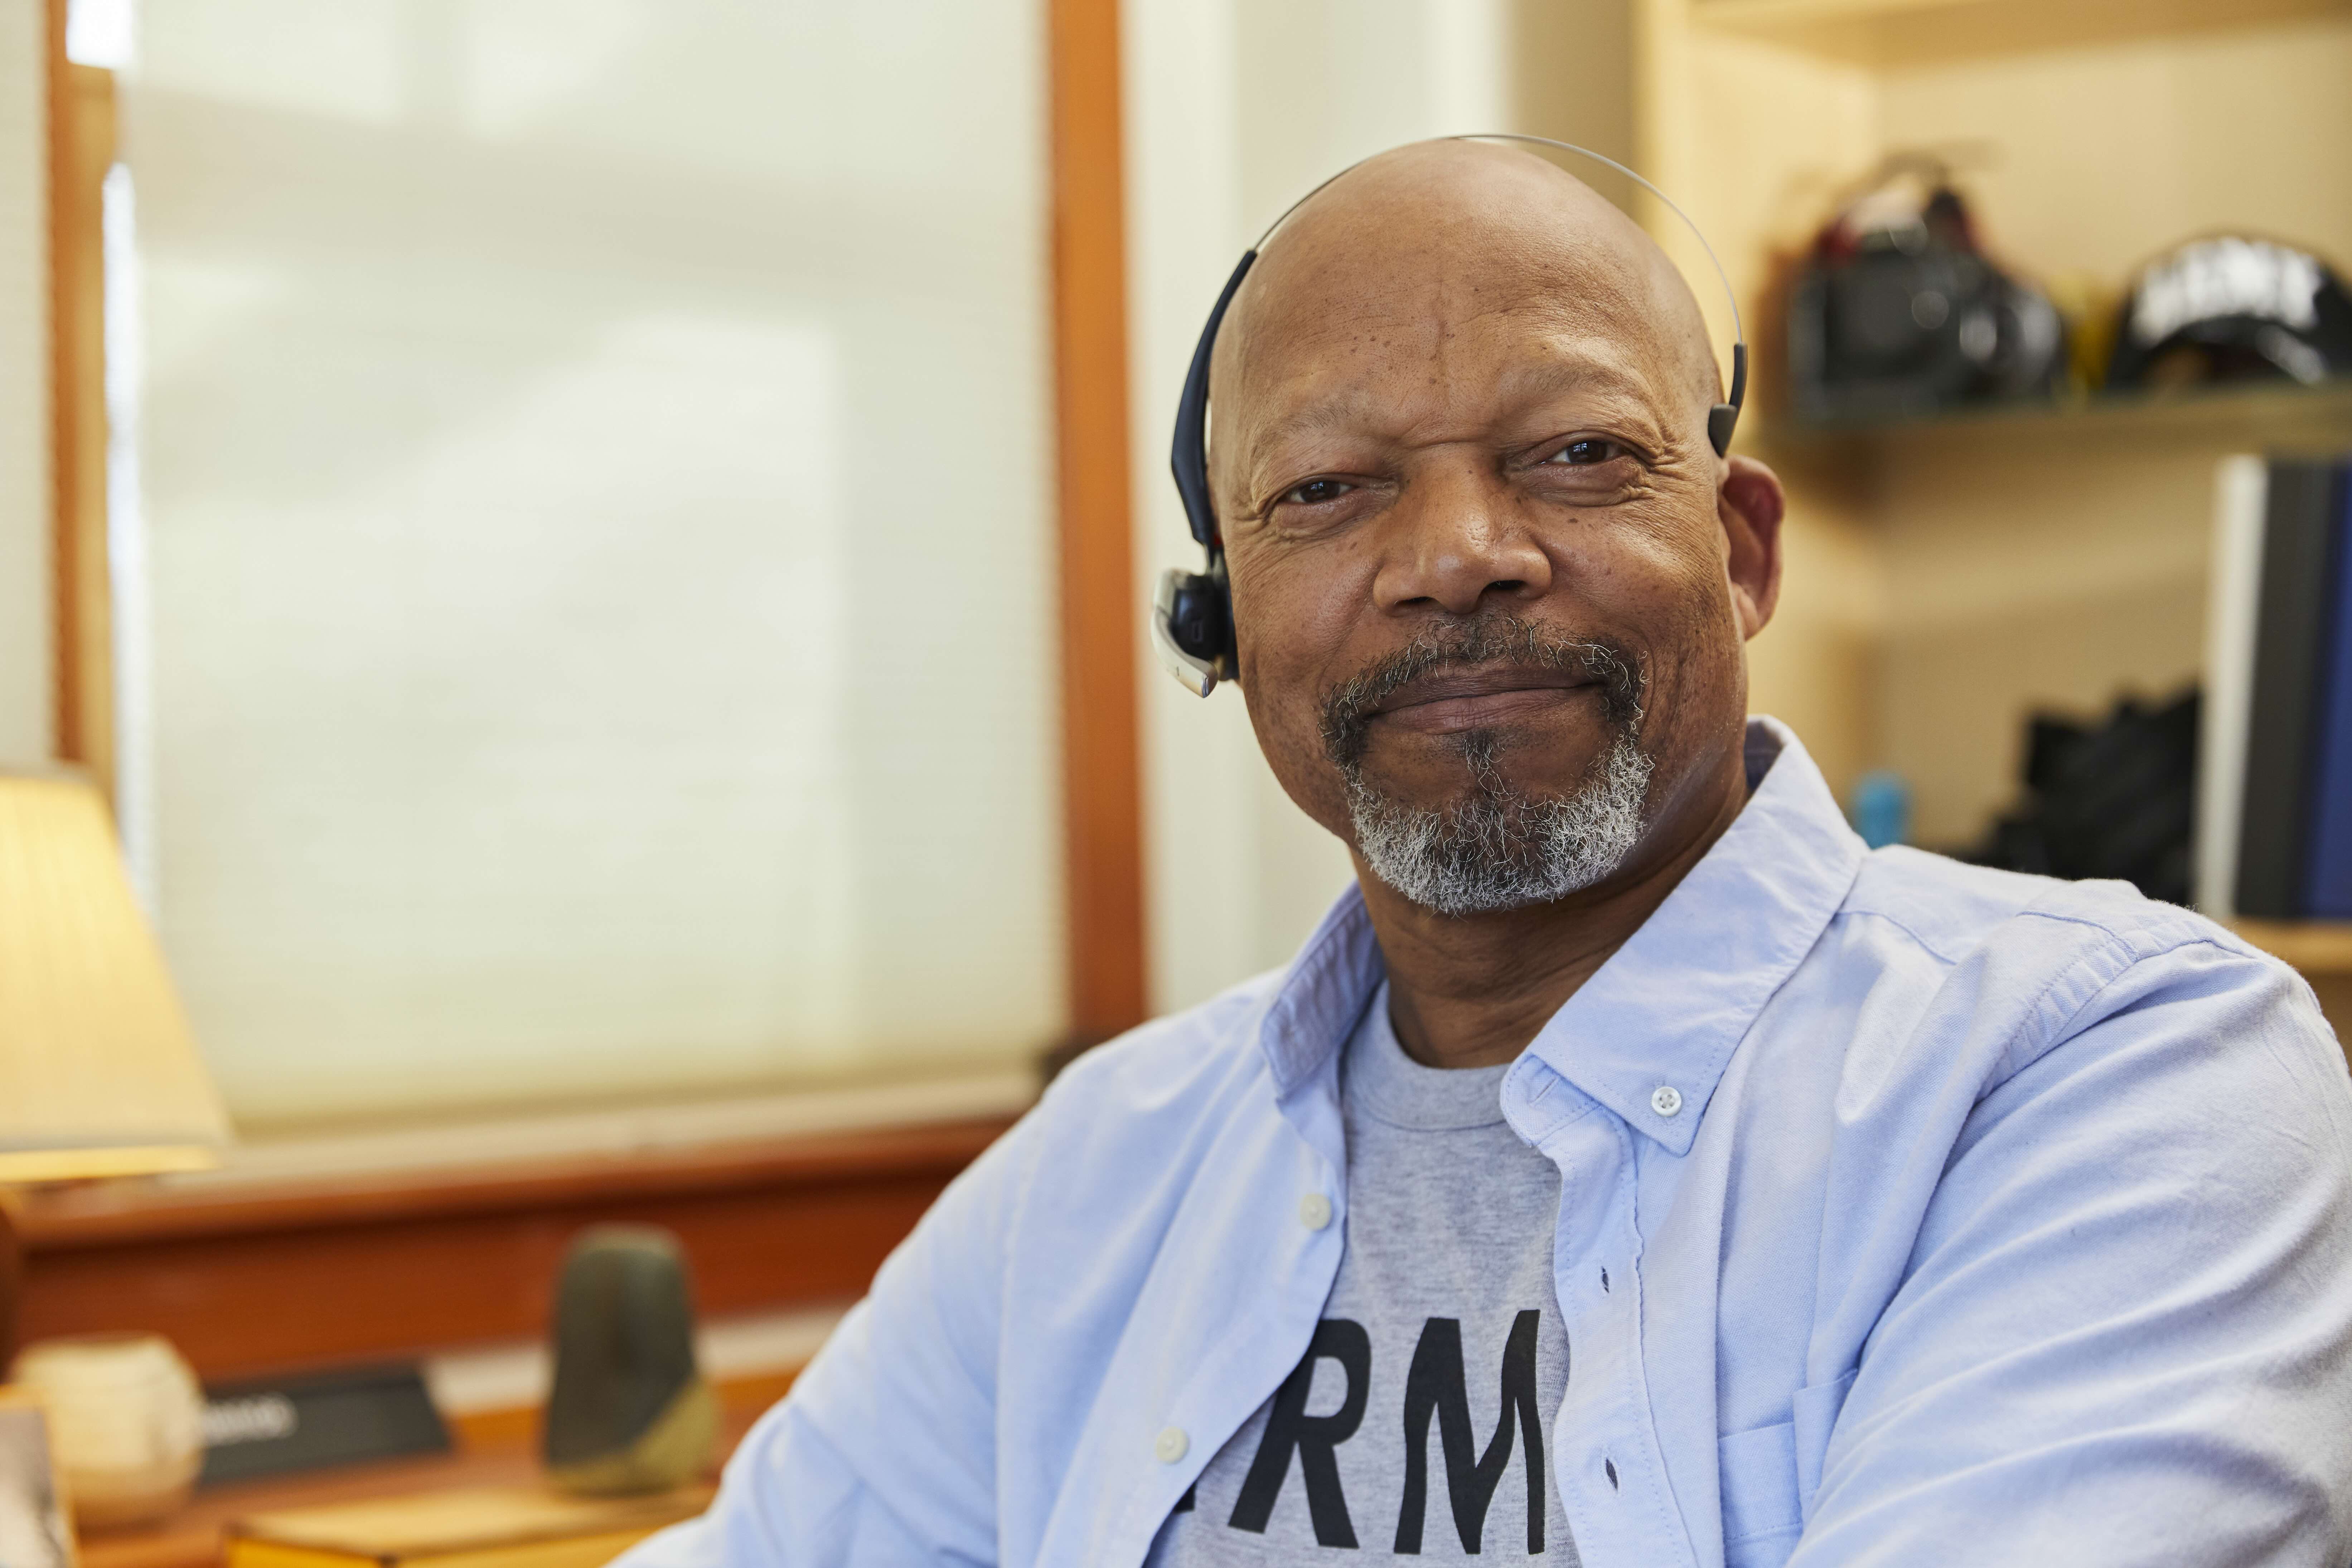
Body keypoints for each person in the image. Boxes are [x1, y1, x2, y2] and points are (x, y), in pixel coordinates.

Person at [617, 140, 2352, 1566]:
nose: (1456, 555)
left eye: (1579, 455)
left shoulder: (2110, 1071)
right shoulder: (1106, 1167)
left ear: (1740, 551)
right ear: (1225, 624)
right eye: (1325, 490)